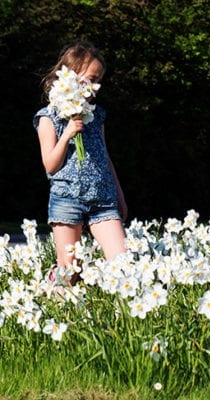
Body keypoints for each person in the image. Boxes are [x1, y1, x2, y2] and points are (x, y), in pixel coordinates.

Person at [33, 42, 127, 284]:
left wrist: (119, 195)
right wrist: (67, 134)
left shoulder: (97, 115)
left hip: (103, 199)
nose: (96, 86)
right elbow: (50, 166)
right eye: (91, 78)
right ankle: (55, 288)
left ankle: (121, 316)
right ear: (70, 75)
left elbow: (105, 156)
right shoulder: (48, 117)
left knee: (123, 263)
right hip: (68, 198)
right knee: (70, 272)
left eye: (99, 81)